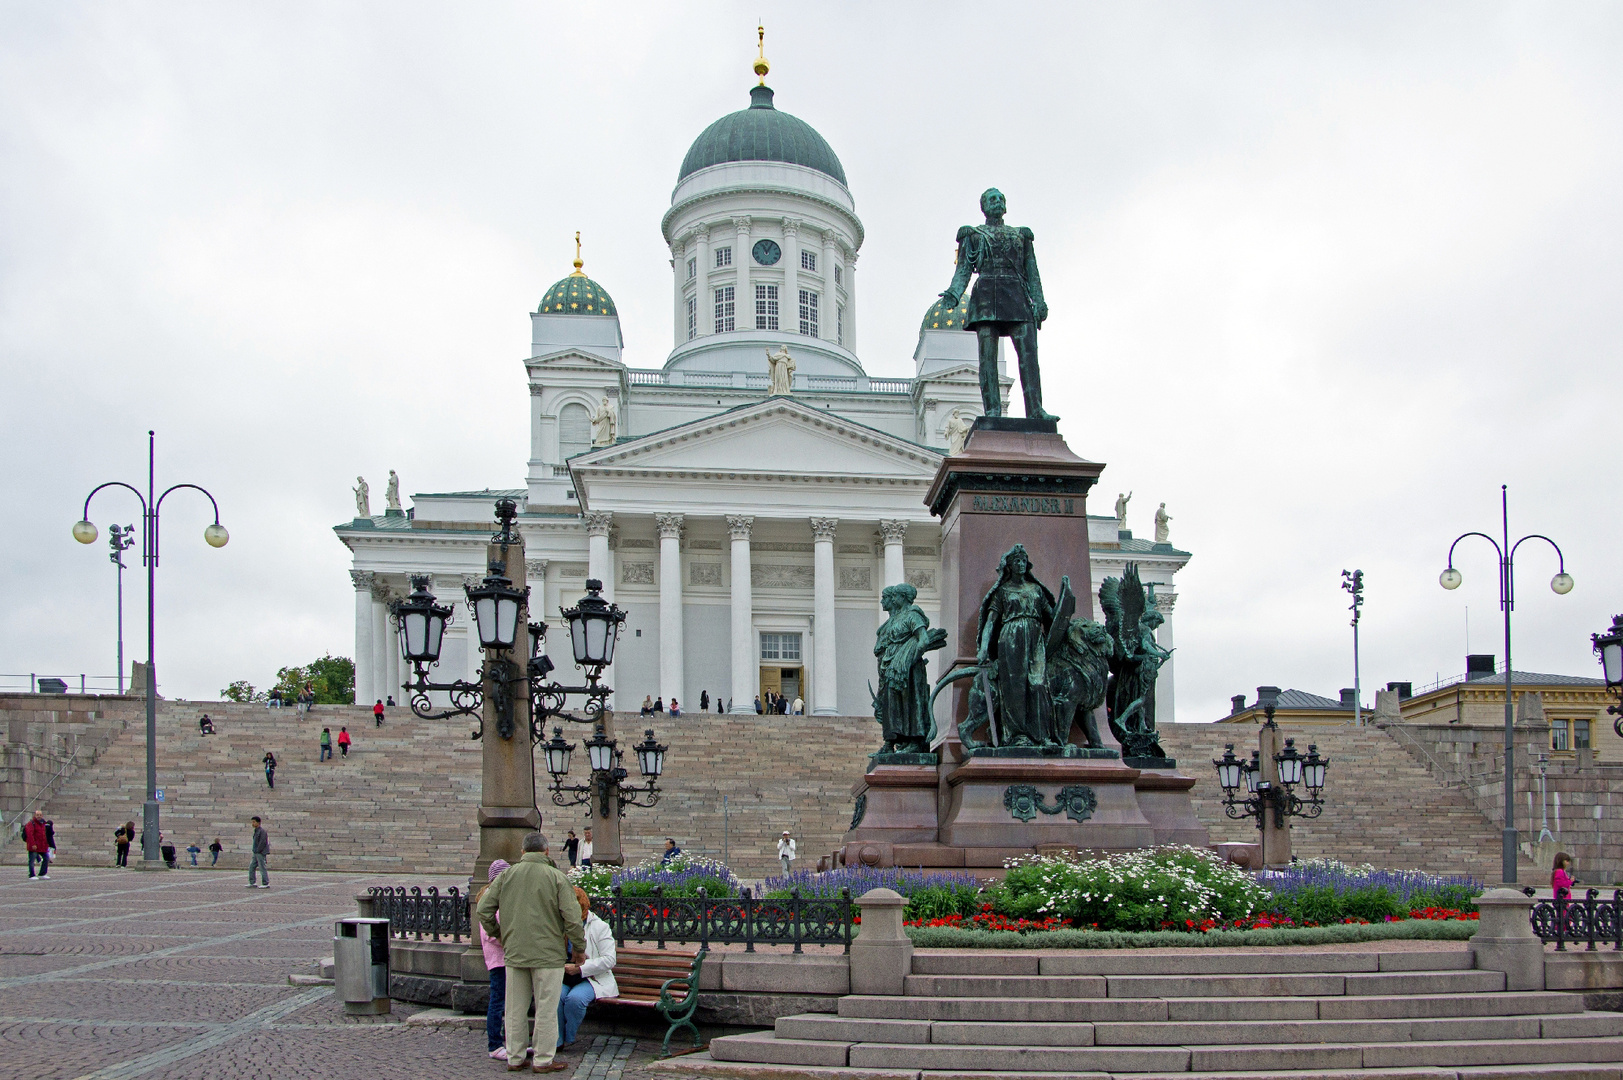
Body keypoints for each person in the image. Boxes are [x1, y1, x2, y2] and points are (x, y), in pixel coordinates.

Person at [475, 832, 584, 1073]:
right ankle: (543, 1060)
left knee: (514, 1008)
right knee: (546, 1007)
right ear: (546, 852)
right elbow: (573, 918)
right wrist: (579, 948)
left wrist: (501, 934)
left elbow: (483, 910)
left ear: (522, 853)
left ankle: (515, 1057)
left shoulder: (507, 875)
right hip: (548, 953)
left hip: (514, 953)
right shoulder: (556, 877)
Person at [557, 886, 617, 1050]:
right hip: (564, 975)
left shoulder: (599, 926)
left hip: (592, 978)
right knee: (555, 997)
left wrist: (581, 968)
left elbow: (610, 960)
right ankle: (556, 1042)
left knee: (574, 1000)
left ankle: (568, 1037)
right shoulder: (559, 925)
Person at [478, 859, 512, 1060]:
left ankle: (510, 1042)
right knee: (497, 1001)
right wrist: (509, 940)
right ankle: (495, 1044)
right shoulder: (490, 901)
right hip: (499, 961)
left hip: (506, 959)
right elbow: (489, 934)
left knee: (509, 1002)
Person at [23, 810, 51, 879]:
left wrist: (47, 844)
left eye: (40, 815)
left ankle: (42, 873)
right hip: (34, 845)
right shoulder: (31, 823)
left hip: (42, 845)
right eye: (37, 815)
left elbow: (45, 835)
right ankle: (32, 875)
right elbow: (30, 835)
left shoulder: (44, 823)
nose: (39, 816)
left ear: (42, 816)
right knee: (32, 860)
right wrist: (33, 844)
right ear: (34, 815)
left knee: (46, 858)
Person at [248, 816, 270, 888]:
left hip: (260, 852)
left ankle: (265, 883)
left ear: (258, 823)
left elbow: (262, 842)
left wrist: (258, 850)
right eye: (252, 822)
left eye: (254, 822)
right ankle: (252, 882)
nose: (252, 823)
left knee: (262, 867)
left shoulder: (262, 831)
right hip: (256, 852)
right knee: (251, 867)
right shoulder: (256, 831)